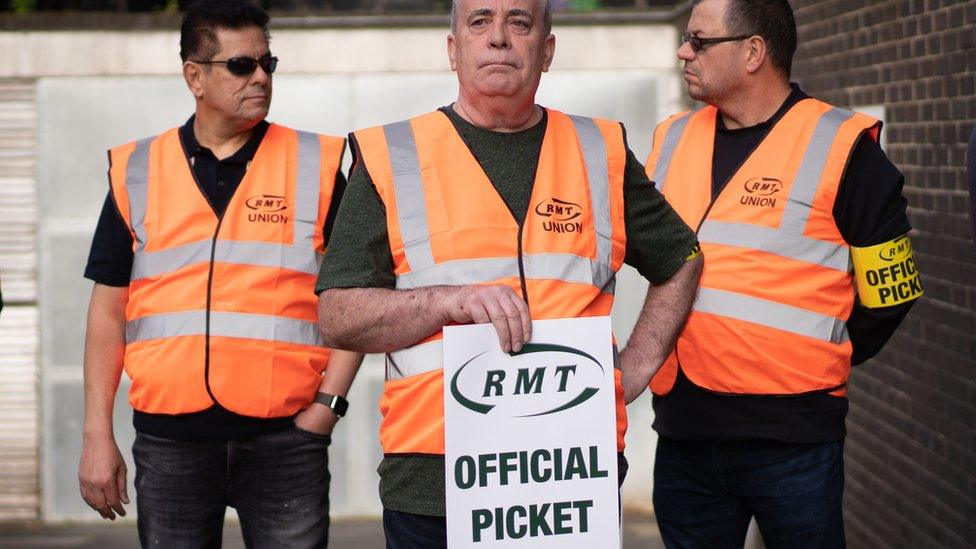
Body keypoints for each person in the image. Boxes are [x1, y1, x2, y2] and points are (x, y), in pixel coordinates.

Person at [315, 0, 702, 546]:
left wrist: (630, 371)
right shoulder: (391, 155)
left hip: (569, 480)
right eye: (479, 22)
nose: (498, 37)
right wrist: (445, 302)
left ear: (546, 50)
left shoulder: (601, 150)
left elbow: (681, 260)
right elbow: (337, 316)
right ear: (454, 50)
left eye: (518, 22)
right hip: (435, 486)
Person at [77, 1, 362, 546]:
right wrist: (96, 435)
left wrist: (327, 408)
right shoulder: (137, 170)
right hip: (169, 444)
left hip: (287, 441)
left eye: (267, 63)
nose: (260, 76)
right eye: (240, 65)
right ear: (195, 76)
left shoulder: (319, 165)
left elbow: (361, 295)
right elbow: (108, 312)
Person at [640, 0, 921, 547]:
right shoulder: (671, 138)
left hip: (792, 444)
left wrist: (822, 349)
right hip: (685, 438)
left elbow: (892, 293)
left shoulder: (844, 148)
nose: (683, 51)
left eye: (699, 41)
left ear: (752, 52)